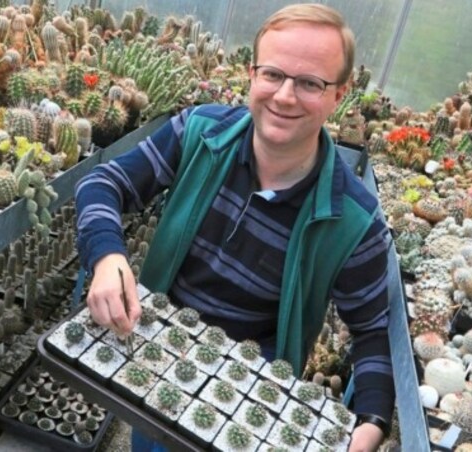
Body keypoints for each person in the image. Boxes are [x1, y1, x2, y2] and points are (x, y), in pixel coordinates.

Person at [75, 4, 394, 451]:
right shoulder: (200, 133)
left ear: (338, 95)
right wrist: (107, 259)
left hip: (251, 395)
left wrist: (371, 426)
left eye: (310, 83)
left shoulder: (355, 222)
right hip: (155, 352)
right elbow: (104, 183)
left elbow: (373, 334)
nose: (285, 96)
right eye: (273, 74)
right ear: (252, 74)